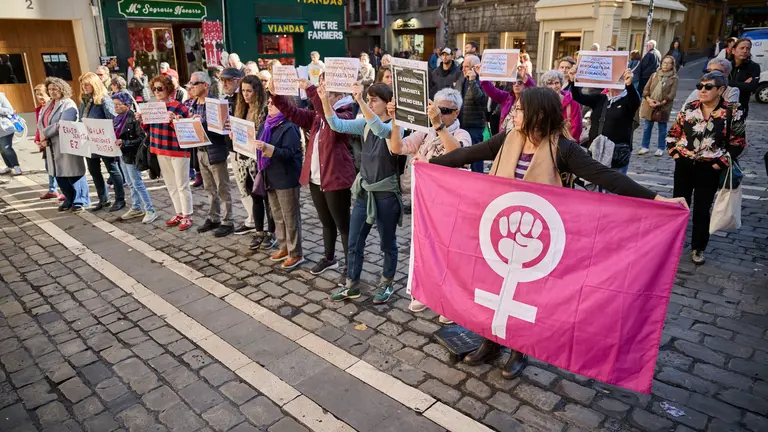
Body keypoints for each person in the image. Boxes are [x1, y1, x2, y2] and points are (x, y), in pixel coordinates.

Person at [422, 87, 687, 378]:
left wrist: (657, 199)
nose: (513, 113)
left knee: (527, 295)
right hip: (501, 233)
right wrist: (429, 165)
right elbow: (467, 154)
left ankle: (519, 350)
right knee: (495, 289)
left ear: (537, 115)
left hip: (538, 239)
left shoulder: (563, 149)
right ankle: (491, 343)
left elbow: (606, 177)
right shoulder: (508, 138)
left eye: (520, 109)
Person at [321, 82, 402, 304]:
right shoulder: (364, 124)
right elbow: (336, 124)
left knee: (387, 243)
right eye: (368, 99)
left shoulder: (396, 127)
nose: (370, 103)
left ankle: (386, 283)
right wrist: (324, 100)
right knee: (354, 241)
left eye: (374, 100)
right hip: (364, 192)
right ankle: (352, 285)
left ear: (387, 103)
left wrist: (360, 101)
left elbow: (380, 129)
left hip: (386, 194)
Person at [270, 78, 356, 276]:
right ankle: (329, 258)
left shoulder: (346, 115)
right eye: (322, 92)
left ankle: (350, 264)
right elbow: (294, 113)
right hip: (317, 178)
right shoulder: (318, 115)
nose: (323, 96)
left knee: (344, 225)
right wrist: (276, 96)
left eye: (327, 93)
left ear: (340, 97)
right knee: (326, 222)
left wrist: (311, 90)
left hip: (336, 178)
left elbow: (331, 119)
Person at [666, 72, 746, 265]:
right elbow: (673, 134)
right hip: (684, 165)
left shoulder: (731, 112)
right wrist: (675, 155)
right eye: (700, 86)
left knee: (702, 210)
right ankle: (672, 245)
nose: (702, 90)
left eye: (708, 87)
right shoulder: (689, 108)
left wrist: (718, 164)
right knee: (679, 206)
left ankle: (698, 248)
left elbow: (738, 143)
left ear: (720, 90)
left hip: (709, 168)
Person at [181, 71, 235, 237]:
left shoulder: (216, 104)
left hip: (215, 150)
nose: (191, 86)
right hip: (201, 151)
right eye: (190, 83)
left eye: (194, 83)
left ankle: (228, 221)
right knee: (209, 188)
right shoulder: (193, 104)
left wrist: (201, 124)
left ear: (205, 85)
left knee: (222, 188)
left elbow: (222, 130)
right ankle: (214, 217)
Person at [253, 97, 304, 269]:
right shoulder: (266, 124)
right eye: (268, 102)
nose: (269, 105)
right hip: (270, 175)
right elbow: (257, 144)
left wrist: (268, 149)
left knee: (290, 217)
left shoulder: (290, 126)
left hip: (286, 177)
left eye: (273, 103)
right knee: (277, 214)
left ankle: (296, 253)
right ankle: (284, 246)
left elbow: (289, 153)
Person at [137, 75, 193, 230]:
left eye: (160, 88)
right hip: (160, 149)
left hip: (178, 150)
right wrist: (142, 120)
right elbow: (149, 129)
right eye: (154, 89)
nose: (156, 91)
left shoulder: (179, 107)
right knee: (171, 184)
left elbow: (188, 130)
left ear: (168, 89)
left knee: (182, 184)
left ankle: (187, 215)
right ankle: (179, 213)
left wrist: (174, 120)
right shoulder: (153, 107)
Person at [233, 75, 276, 249]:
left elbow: (268, 134)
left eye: (249, 91)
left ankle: (271, 232)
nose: (245, 94)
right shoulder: (242, 109)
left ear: (257, 91)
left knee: (267, 198)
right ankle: (259, 231)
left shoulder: (264, 110)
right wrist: (234, 134)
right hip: (245, 159)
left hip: (260, 160)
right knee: (255, 196)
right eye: (243, 91)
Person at [571, 67, 640, 174]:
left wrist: (629, 85)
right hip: (596, 150)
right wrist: (574, 80)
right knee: (594, 183)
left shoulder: (628, 100)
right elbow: (578, 97)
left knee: (614, 183)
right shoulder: (600, 98)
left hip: (617, 154)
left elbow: (635, 101)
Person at [37, 77, 91, 212]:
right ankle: (70, 198)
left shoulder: (68, 104)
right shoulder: (49, 104)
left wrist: (45, 134)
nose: (52, 91)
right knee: (59, 174)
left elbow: (63, 124)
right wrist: (42, 138)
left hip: (67, 143)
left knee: (73, 172)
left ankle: (81, 200)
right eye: (50, 89)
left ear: (62, 89)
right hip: (51, 145)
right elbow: (41, 122)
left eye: (55, 89)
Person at [79, 72, 125, 212]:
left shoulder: (103, 100)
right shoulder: (84, 102)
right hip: (90, 142)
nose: (84, 87)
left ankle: (120, 199)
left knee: (112, 169)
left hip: (104, 141)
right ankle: (103, 199)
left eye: (87, 84)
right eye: (83, 85)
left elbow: (114, 119)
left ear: (95, 84)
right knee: (94, 171)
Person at [111, 92, 157, 224]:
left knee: (137, 183)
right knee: (130, 183)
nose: (115, 107)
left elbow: (142, 138)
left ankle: (150, 210)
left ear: (127, 105)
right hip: (123, 154)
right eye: (114, 105)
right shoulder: (117, 119)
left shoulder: (134, 118)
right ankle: (136, 207)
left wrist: (124, 142)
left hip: (132, 155)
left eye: (118, 104)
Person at [638, 55, 679, 156]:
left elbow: (672, 94)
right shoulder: (654, 75)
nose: (666, 65)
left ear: (672, 65)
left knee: (662, 128)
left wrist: (661, 103)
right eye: (664, 62)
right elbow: (646, 89)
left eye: (668, 63)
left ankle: (661, 148)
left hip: (663, 106)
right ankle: (645, 146)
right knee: (647, 127)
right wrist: (649, 100)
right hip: (650, 104)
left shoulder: (674, 78)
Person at [455, 54, 487, 172]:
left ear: (474, 67)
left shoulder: (482, 81)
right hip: (461, 123)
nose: (463, 69)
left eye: (466, 66)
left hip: (474, 125)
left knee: (476, 156)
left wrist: (473, 81)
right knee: (463, 155)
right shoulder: (461, 79)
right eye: (463, 66)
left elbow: (482, 100)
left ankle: (478, 178)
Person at [480, 64, 536, 133]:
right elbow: (490, 89)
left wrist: (524, 77)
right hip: (504, 135)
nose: (516, 84)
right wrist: (482, 75)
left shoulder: (530, 100)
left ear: (525, 85)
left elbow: (535, 91)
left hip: (521, 135)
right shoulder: (506, 97)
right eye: (514, 82)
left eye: (520, 82)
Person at [33, 84, 60, 198]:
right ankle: (52, 189)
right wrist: (38, 139)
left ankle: (60, 189)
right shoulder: (39, 109)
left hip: (53, 140)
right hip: (44, 142)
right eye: (37, 95)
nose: (40, 97)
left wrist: (45, 137)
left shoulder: (53, 108)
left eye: (42, 94)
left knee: (56, 166)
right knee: (49, 166)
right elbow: (39, 126)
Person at [539, 70, 582, 142]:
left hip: (568, 144)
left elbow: (577, 128)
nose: (554, 86)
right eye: (550, 83)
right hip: (545, 143)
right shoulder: (541, 103)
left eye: (557, 83)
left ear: (561, 84)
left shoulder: (573, 104)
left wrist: (566, 144)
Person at [729, 38, 761, 117]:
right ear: (733, 51)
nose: (745, 51)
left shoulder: (754, 67)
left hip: (741, 106)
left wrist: (729, 83)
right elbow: (719, 83)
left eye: (748, 48)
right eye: (742, 48)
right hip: (723, 105)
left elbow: (752, 87)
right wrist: (743, 84)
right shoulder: (725, 65)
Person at [0, 92, 22, 176]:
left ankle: (16, 167)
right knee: (2, 150)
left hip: (5, 128)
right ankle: (9, 166)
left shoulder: (0, 96)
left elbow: (10, 110)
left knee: (6, 148)